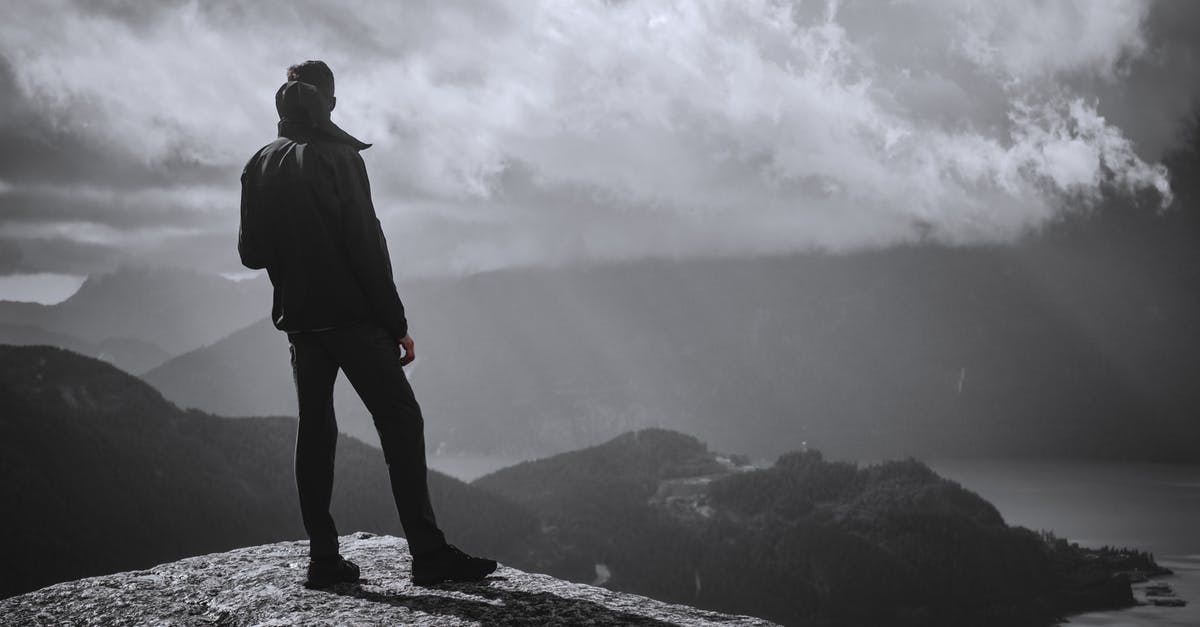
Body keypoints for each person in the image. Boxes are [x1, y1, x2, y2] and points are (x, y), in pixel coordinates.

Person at [238, 60, 497, 589]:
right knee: (400, 422)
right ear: (329, 103)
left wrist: (294, 260)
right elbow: (366, 245)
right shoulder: (340, 158)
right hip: (354, 319)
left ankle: (323, 559)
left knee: (315, 431)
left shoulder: (259, 163)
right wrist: (395, 322)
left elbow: (250, 253)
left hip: (300, 323)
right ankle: (428, 555)